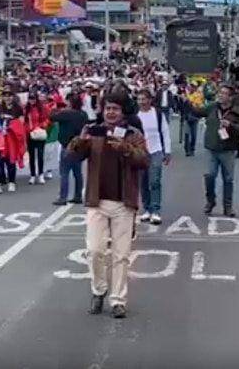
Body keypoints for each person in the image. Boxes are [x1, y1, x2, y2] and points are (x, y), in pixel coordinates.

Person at [68, 93, 150, 319]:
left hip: (124, 202)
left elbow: (144, 160)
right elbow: (72, 156)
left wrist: (124, 148)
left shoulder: (133, 135)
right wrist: (80, 140)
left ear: (123, 112)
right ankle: (98, 290)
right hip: (97, 199)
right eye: (107, 108)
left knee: (121, 255)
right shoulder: (93, 131)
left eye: (115, 108)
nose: (111, 112)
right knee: (94, 250)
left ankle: (118, 300)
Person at [190, 84, 239, 217]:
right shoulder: (212, 107)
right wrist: (187, 102)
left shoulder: (237, 111)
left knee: (228, 179)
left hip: (228, 150)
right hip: (212, 148)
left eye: (224, 93)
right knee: (209, 176)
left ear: (230, 97)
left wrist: (230, 125)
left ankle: (228, 207)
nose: (221, 95)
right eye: (220, 93)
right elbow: (197, 112)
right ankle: (210, 201)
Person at [136, 89, 172, 225]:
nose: (141, 102)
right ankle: (147, 209)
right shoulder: (136, 115)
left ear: (150, 100)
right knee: (143, 181)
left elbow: (165, 132)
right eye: (139, 99)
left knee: (154, 181)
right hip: (140, 152)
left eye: (144, 99)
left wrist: (167, 151)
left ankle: (156, 210)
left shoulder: (157, 114)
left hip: (156, 151)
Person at [50, 91, 88, 206]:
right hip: (79, 145)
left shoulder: (66, 113)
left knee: (64, 172)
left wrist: (56, 107)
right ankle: (77, 195)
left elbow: (52, 116)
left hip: (67, 145)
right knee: (77, 172)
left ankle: (63, 197)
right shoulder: (83, 114)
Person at [0, 90, 23, 194]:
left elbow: (21, 123)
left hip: (11, 139)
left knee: (11, 160)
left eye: (9, 96)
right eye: (5, 96)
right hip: (0, 138)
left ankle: (12, 182)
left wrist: (12, 125)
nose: (7, 98)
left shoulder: (18, 108)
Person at [25, 93, 50, 184]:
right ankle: (32, 175)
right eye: (30, 98)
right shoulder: (26, 109)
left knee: (40, 155)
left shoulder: (42, 108)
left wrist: (42, 126)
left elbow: (47, 119)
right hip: (30, 134)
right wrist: (29, 129)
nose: (32, 100)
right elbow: (24, 121)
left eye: (33, 98)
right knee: (31, 156)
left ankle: (40, 174)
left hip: (39, 133)